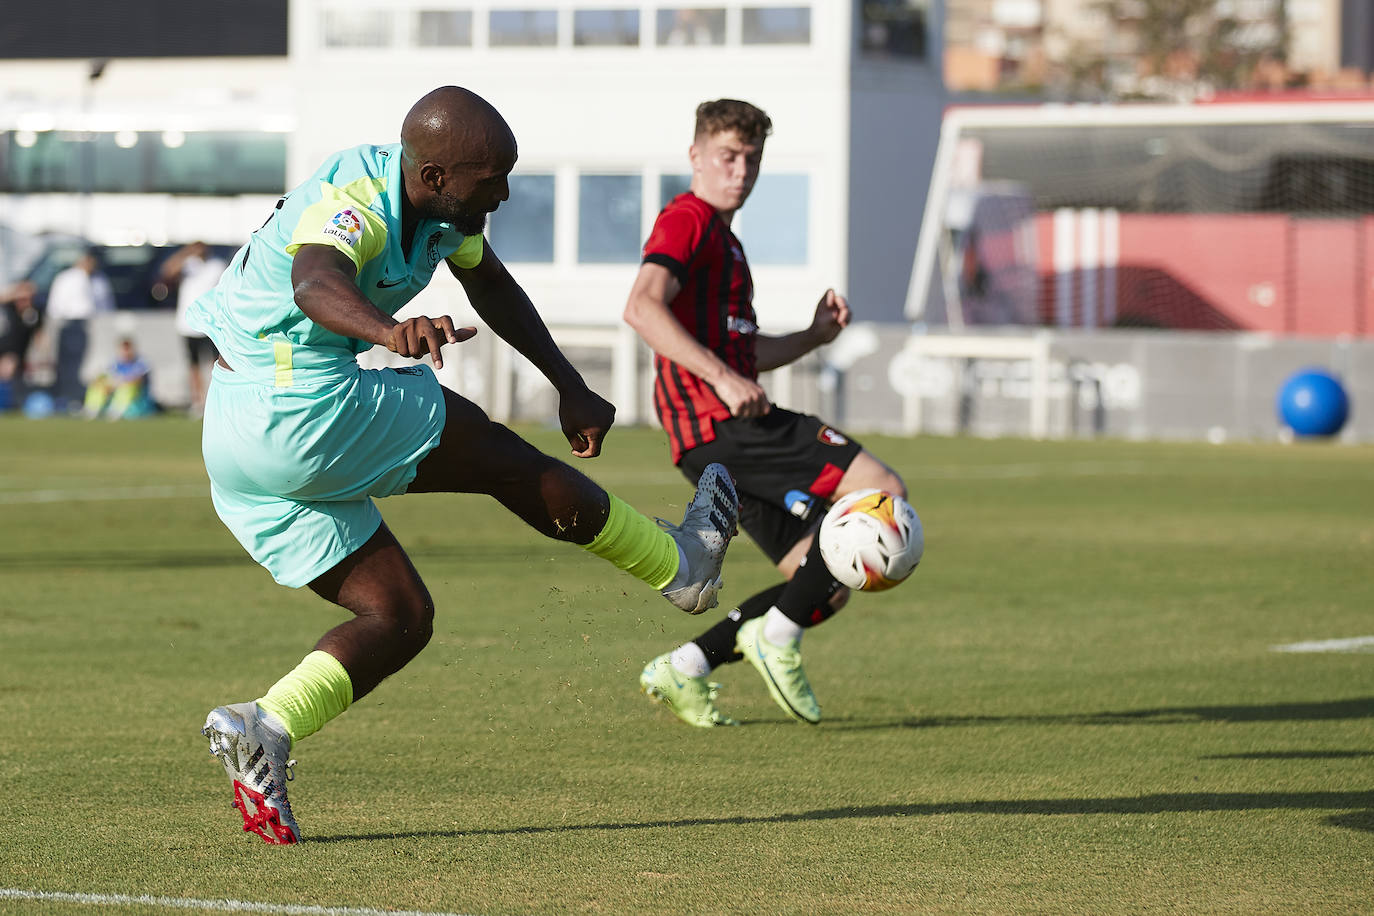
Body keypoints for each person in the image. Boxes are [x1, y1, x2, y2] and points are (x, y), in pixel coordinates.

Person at [189, 86, 740, 845]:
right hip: (290, 405)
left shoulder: (444, 210)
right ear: (438, 176)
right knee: (496, 455)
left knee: (400, 615)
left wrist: (568, 383)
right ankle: (682, 566)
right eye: (493, 178)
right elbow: (315, 280)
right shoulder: (357, 197)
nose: (505, 192)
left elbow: (492, 285)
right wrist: (388, 329)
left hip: (244, 436)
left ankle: (265, 728)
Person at [625, 99, 907, 728]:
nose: (740, 170)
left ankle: (687, 667)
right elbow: (642, 307)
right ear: (696, 156)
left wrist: (811, 336)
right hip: (721, 426)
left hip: (711, 441)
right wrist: (722, 379)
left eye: (751, 159)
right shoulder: (688, 220)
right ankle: (775, 636)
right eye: (727, 156)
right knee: (882, 490)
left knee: (826, 582)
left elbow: (745, 352)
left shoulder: (725, 242)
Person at [158, 241, 228, 416]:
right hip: (188, 323)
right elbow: (167, 271)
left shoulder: (217, 266)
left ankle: (216, 400)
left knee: (217, 364)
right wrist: (185, 253)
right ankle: (198, 402)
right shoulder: (188, 265)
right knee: (194, 365)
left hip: (212, 323)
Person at [45, 250, 115, 411]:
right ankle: (67, 399)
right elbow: (55, 307)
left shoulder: (98, 279)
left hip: (90, 325)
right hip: (70, 324)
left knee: (87, 365)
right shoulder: (67, 278)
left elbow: (106, 305)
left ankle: (83, 398)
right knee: (69, 366)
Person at [81, 336, 155, 419]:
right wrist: (103, 383)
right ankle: (92, 409)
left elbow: (138, 380)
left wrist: (120, 383)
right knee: (97, 386)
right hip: (116, 386)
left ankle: (116, 410)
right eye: (124, 349)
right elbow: (106, 375)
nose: (126, 352)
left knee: (126, 388)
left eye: (128, 349)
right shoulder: (115, 362)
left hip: (135, 392)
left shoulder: (141, 362)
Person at [0, 280, 41, 409]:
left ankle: (7, 404)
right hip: (5, 348)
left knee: (10, 375)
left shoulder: (34, 313)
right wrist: (16, 293)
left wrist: (40, 355)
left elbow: (39, 334)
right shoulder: (10, 307)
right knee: (6, 372)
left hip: (20, 352)